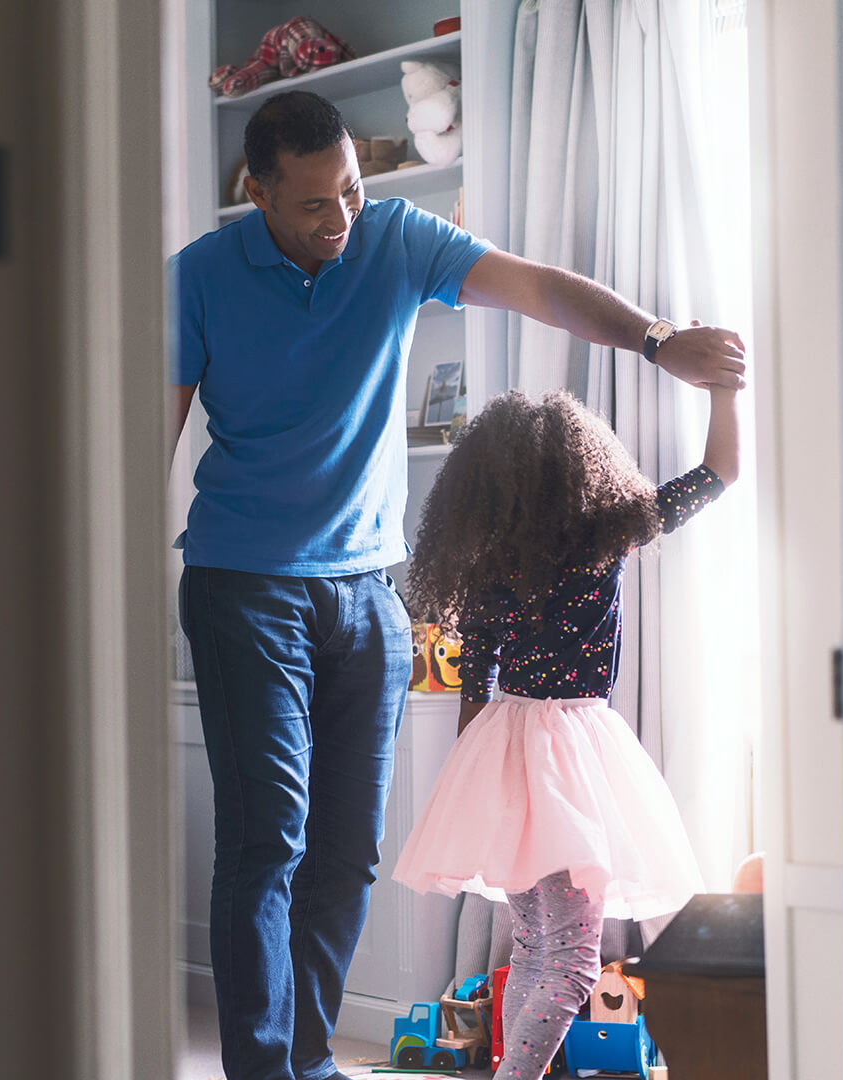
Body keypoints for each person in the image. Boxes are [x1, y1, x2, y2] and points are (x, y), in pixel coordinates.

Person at [169, 89, 746, 1080]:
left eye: (350, 190)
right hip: (244, 585)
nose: (340, 218)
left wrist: (656, 341)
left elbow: (542, 291)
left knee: (348, 854)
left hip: (366, 594)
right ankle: (265, 1073)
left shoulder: (397, 241)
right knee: (269, 843)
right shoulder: (201, 280)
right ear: (256, 194)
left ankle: (308, 1063)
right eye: (312, 205)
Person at [390, 385, 743, 1079]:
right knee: (575, 960)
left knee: (532, 946)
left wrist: (475, 779)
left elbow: (476, 680)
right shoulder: (609, 530)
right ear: (586, 463)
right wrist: (724, 393)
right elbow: (719, 475)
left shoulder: (491, 559)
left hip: (502, 743)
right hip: (569, 747)